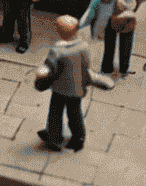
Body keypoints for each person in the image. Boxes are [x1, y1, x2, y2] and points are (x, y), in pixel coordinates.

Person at [37, 14, 110, 152]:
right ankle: (78, 139)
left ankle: (54, 138)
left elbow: (50, 67)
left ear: (59, 31)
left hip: (60, 88)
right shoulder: (83, 47)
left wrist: (41, 72)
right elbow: (86, 65)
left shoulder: (56, 51)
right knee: (75, 114)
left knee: (55, 113)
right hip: (76, 88)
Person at [78, 0, 136, 78]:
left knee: (115, 46)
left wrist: (82, 24)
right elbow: (90, 13)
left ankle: (112, 68)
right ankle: (116, 68)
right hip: (114, 23)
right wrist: (81, 24)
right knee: (115, 46)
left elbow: (90, 13)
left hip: (124, 23)